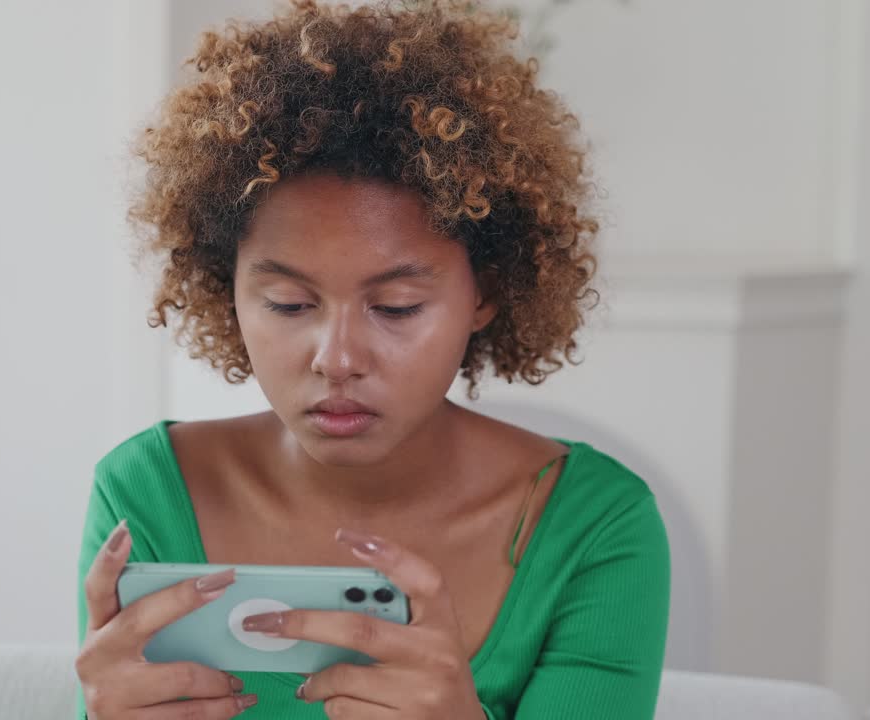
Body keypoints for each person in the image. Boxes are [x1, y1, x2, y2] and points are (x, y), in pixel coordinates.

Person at [75, 1, 670, 717]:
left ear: (487, 293)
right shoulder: (144, 494)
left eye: (395, 309)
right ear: (224, 290)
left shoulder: (594, 525)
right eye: (290, 305)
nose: (338, 358)